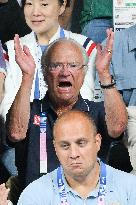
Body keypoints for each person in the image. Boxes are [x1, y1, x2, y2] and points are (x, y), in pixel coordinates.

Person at [7, 33, 127, 194]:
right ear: (44, 72)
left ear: (83, 73)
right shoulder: (29, 110)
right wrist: (28, 76)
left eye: (73, 65)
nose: (65, 72)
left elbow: (117, 127)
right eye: (56, 65)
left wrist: (104, 74)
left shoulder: (96, 111)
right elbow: (15, 133)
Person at [0, 0, 97, 120]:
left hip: (71, 129)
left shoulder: (84, 45)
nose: (35, 12)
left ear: (61, 7)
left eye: (44, 5)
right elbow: (7, 105)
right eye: (29, 4)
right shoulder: (11, 48)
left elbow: (87, 98)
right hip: (25, 132)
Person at [17, 110, 136, 205]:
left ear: (97, 142)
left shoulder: (131, 187)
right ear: (55, 148)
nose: (74, 154)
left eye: (81, 143)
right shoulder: (34, 194)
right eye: (65, 145)